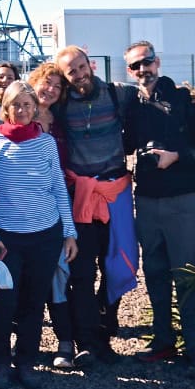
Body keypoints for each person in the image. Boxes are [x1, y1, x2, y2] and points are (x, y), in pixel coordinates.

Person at [124, 40, 195, 378]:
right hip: (146, 200)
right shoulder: (132, 106)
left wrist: (176, 156)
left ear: (157, 61)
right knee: (155, 275)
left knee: (188, 276)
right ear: (129, 71)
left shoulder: (183, 99)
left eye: (146, 62)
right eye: (135, 66)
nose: (142, 70)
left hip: (182, 199)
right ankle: (163, 339)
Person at [0, 81, 78, 389]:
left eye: (27, 105)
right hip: (7, 239)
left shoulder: (46, 143)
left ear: (36, 108)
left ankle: (26, 362)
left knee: (34, 302)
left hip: (46, 235)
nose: (21, 110)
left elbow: (59, 188)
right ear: (5, 108)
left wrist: (69, 232)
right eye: (15, 105)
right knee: (4, 302)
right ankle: (0, 363)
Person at [51, 44, 138, 367]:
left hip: (115, 192)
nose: (78, 74)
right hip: (81, 195)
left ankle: (106, 332)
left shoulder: (119, 95)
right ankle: (87, 341)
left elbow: (154, 105)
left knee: (116, 266)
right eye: (71, 71)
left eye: (81, 67)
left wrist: (192, 99)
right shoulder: (61, 106)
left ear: (92, 65)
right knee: (82, 271)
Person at [25, 62, 76, 357]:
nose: (51, 90)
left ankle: (65, 341)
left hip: (57, 202)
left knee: (59, 270)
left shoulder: (62, 120)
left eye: (58, 87)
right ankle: (21, 346)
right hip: (18, 207)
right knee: (24, 275)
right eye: (47, 83)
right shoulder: (18, 113)